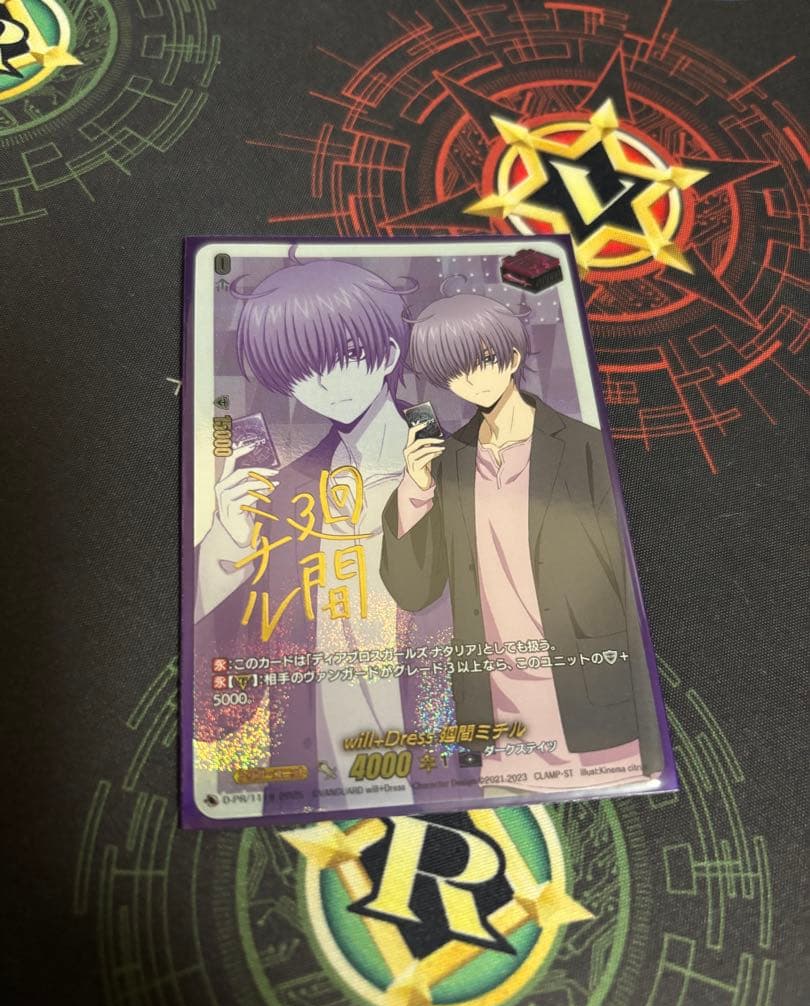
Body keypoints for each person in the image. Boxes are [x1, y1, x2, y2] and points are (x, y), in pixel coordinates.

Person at [379, 292, 664, 792]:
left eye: (483, 359)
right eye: (452, 371)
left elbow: (630, 589)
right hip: (501, 723)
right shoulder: (450, 463)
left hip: (594, 708)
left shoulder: (586, 448)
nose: (471, 380)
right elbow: (415, 591)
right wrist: (416, 487)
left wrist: (654, 739)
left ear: (513, 356)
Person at [195, 256, 428, 809]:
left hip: (435, 714)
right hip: (326, 730)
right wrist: (230, 536)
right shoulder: (290, 486)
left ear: (387, 352)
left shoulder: (456, 461)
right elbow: (231, 621)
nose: (324, 384)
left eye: (343, 356)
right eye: (301, 371)